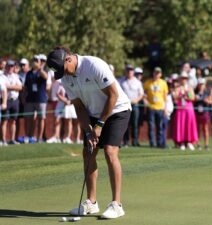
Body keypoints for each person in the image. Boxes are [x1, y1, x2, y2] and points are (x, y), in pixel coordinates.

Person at [47, 47, 131, 219]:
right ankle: (91, 203)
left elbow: (113, 95)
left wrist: (99, 125)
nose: (64, 74)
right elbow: (78, 107)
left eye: (64, 69)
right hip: (92, 113)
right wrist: (87, 132)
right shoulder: (65, 77)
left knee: (109, 150)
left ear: (69, 59)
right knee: (89, 152)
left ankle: (117, 204)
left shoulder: (94, 65)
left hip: (118, 109)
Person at [24, 55, 49, 143]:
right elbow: (26, 86)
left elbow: (45, 77)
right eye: (33, 60)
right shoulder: (29, 73)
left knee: (41, 118)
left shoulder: (43, 70)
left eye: (36, 60)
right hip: (30, 99)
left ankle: (39, 138)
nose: (34, 62)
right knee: (28, 118)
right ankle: (27, 136)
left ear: (40, 62)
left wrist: (39, 68)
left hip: (41, 99)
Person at [118, 65, 144, 147]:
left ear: (133, 72)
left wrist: (136, 100)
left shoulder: (138, 82)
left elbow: (141, 94)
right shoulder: (121, 80)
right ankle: (126, 141)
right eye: (128, 70)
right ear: (126, 71)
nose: (129, 72)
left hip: (135, 105)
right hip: (124, 105)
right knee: (125, 124)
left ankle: (135, 141)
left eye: (131, 70)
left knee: (135, 124)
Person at [172, 72, 198, 150]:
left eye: (185, 78)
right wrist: (180, 96)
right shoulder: (178, 88)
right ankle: (182, 142)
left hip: (188, 108)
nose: (183, 80)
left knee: (189, 125)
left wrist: (186, 95)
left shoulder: (189, 88)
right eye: (182, 78)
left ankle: (189, 141)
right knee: (181, 125)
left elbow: (192, 98)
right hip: (180, 109)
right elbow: (175, 98)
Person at [143, 67, 169, 148]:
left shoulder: (163, 83)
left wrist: (165, 108)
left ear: (160, 74)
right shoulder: (148, 82)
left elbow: (165, 97)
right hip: (151, 107)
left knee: (159, 126)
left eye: (158, 73)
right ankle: (151, 142)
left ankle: (159, 143)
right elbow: (143, 94)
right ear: (153, 73)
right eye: (155, 72)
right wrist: (145, 101)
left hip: (160, 108)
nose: (156, 74)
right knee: (151, 126)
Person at [1, 60, 22, 145]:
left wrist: (10, 87)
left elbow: (20, 87)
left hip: (15, 100)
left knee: (13, 121)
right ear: (6, 67)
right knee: (4, 121)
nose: (10, 68)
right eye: (9, 66)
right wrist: (14, 87)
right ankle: (3, 140)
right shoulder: (2, 76)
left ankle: (12, 139)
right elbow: (3, 87)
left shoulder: (16, 76)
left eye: (12, 66)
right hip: (5, 100)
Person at [194, 78, 210, 150]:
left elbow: (210, 101)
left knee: (205, 128)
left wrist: (206, 100)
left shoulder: (207, 92)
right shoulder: (195, 92)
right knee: (198, 129)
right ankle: (198, 144)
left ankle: (206, 144)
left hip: (205, 112)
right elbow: (193, 100)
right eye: (199, 84)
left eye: (202, 84)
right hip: (197, 112)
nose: (201, 86)